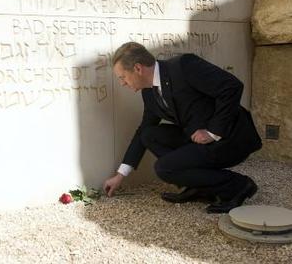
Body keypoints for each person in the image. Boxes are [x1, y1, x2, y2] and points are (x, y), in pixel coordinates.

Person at [103, 42, 262, 213]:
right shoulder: (149, 92)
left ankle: (238, 185)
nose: (122, 83)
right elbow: (143, 130)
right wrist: (121, 175)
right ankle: (200, 186)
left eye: (122, 77)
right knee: (149, 135)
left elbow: (232, 87)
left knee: (164, 168)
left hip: (229, 138)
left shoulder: (183, 66)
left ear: (138, 68)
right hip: (196, 138)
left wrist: (213, 132)